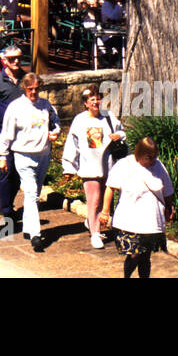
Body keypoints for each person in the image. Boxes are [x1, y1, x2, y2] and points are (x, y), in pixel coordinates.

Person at [0, 72, 61, 252]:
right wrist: (2, 156)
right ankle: (35, 234)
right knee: (31, 193)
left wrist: (55, 132)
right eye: (30, 89)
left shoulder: (45, 106)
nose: (33, 92)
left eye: (36, 88)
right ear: (24, 88)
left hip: (43, 155)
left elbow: (56, 123)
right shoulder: (15, 107)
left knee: (35, 192)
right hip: (23, 155)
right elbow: (6, 133)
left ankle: (27, 227)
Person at [61, 85, 126, 249]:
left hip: (108, 165)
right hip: (89, 167)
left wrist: (118, 135)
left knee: (106, 202)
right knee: (94, 200)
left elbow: (122, 132)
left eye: (98, 98)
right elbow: (72, 144)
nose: (96, 102)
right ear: (85, 103)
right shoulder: (80, 120)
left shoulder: (108, 116)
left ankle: (91, 221)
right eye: (92, 99)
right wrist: (69, 166)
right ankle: (95, 234)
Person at [101, 137, 174, 278]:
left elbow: (168, 190)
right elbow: (110, 187)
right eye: (149, 157)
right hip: (130, 221)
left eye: (154, 157)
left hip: (152, 222)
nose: (152, 161)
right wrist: (105, 211)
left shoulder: (158, 166)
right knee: (134, 255)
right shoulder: (124, 165)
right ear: (139, 154)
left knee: (145, 257)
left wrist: (169, 207)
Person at [0, 46, 26, 225]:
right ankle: (6, 209)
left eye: (19, 58)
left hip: (23, 132)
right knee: (5, 168)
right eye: (12, 59)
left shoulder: (26, 79)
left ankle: (10, 203)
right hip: (1, 131)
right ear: (4, 61)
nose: (16, 62)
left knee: (18, 171)